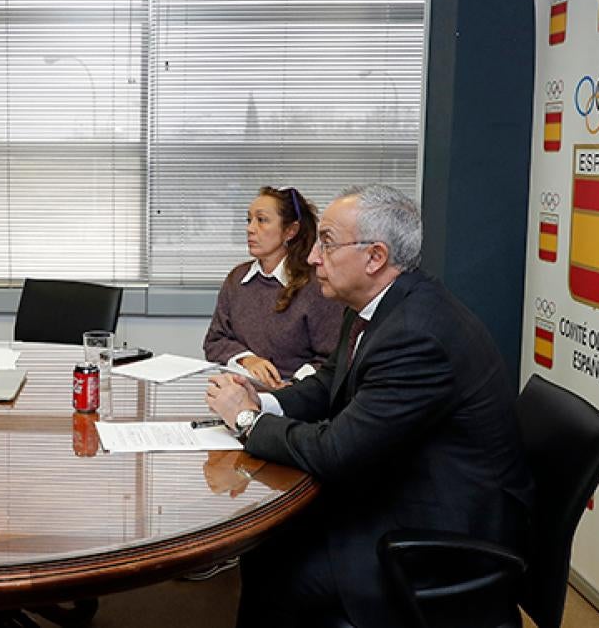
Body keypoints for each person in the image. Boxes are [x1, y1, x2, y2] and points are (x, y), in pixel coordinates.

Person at [205, 184, 534, 628]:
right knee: (268, 544)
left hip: (442, 532)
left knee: (276, 573)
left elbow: (336, 453)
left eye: (327, 243)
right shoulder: (374, 306)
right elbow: (329, 383)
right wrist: (262, 400)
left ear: (375, 257)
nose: (313, 257)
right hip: (406, 489)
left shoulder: (415, 334)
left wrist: (248, 420)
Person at [203, 186, 342, 387]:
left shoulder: (317, 285)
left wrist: (293, 387)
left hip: (298, 396)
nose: (250, 229)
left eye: (261, 220)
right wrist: (247, 359)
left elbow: (333, 358)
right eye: (249, 220)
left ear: (290, 231)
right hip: (241, 391)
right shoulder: (237, 279)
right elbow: (215, 341)